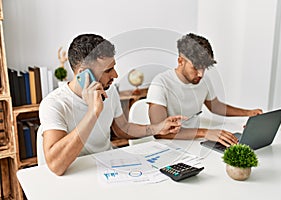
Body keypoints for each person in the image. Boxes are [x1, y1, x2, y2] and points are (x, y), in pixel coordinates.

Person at [39, 34, 185, 176]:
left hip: (107, 168)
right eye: (108, 70)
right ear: (83, 74)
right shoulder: (54, 104)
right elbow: (56, 166)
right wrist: (93, 112)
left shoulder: (109, 91)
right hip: (77, 174)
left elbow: (122, 129)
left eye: (113, 67)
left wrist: (158, 128)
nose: (115, 75)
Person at [147, 33, 262, 147]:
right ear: (181, 61)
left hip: (196, 144)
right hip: (169, 147)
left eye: (204, 67)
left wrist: (248, 113)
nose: (201, 74)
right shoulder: (160, 83)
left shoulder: (204, 81)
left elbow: (216, 106)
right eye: (196, 67)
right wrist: (205, 132)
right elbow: (159, 133)